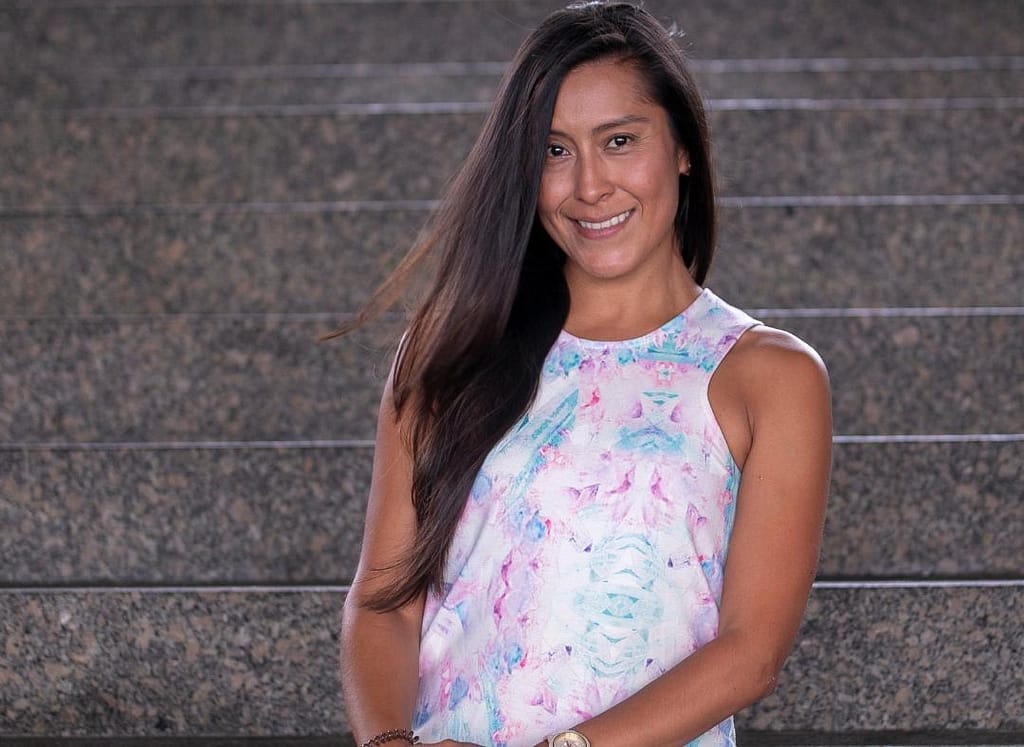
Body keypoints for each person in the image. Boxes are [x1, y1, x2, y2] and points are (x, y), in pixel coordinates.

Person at [337, 3, 832, 746]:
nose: (589, 186)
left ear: (684, 148)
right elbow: (383, 603)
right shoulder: (449, 353)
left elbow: (751, 652)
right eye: (554, 151)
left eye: (620, 141)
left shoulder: (769, 376)